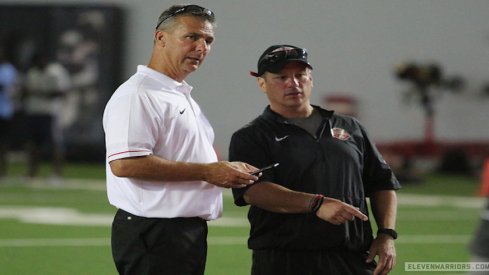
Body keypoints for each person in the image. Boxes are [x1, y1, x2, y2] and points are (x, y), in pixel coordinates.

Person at [102, 4, 258, 275]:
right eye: (192, 37)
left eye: (208, 40)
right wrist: (208, 172)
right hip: (155, 231)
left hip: (179, 231)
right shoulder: (139, 94)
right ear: (161, 38)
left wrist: (225, 168)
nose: (202, 47)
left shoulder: (175, 93)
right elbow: (125, 164)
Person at [230, 44, 401, 275]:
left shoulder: (350, 127)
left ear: (311, 78)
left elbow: (382, 182)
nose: (293, 83)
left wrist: (386, 234)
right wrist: (317, 203)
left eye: (300, 75)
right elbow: (253, 190)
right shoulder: (251, 136)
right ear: (262, 83)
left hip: (352, 257)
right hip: (284, 260)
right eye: (281, 77)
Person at [23, 51, 71, 181]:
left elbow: (63, 91)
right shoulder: (32, 73)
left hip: (51, 112)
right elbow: (25, 91)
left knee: (55, 143)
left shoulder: (55, 72)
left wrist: (39, 92)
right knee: (33, 144)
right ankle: (32, 172)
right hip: (34, 111)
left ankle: (57, 174)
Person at [0, 46, 18, 178]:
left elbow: (11, 88)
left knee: (3, 143)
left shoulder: (9, 70)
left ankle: (3, 171)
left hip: (4, 111)